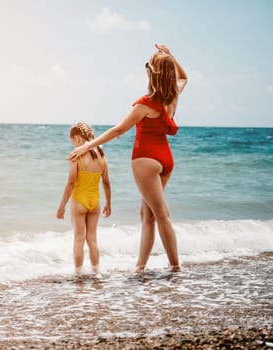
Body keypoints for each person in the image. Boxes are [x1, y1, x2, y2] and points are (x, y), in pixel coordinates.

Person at [68, 44, 187, 273]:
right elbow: (184, 77)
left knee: (161, 215)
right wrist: (171, 57)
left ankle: (175, 267)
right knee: (147, 214)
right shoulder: (173, 97)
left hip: (146, 160)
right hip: (166, 159)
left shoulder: (145, 104)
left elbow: (118, 130)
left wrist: (87, 147)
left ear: (152, 73)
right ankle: (140, 267)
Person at [57, 122, 111, 276]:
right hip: (95, 202)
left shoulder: (76, 154)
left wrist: (62, 206)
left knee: (79, 240)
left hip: (79, 201)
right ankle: (96, 272)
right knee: (92, 240)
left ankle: (78, 274)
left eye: (72, 140)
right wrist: (109, 203)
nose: (73, 143)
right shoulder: (101, 154)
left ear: (77, 138)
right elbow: (106, 182)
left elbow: (71, 182)